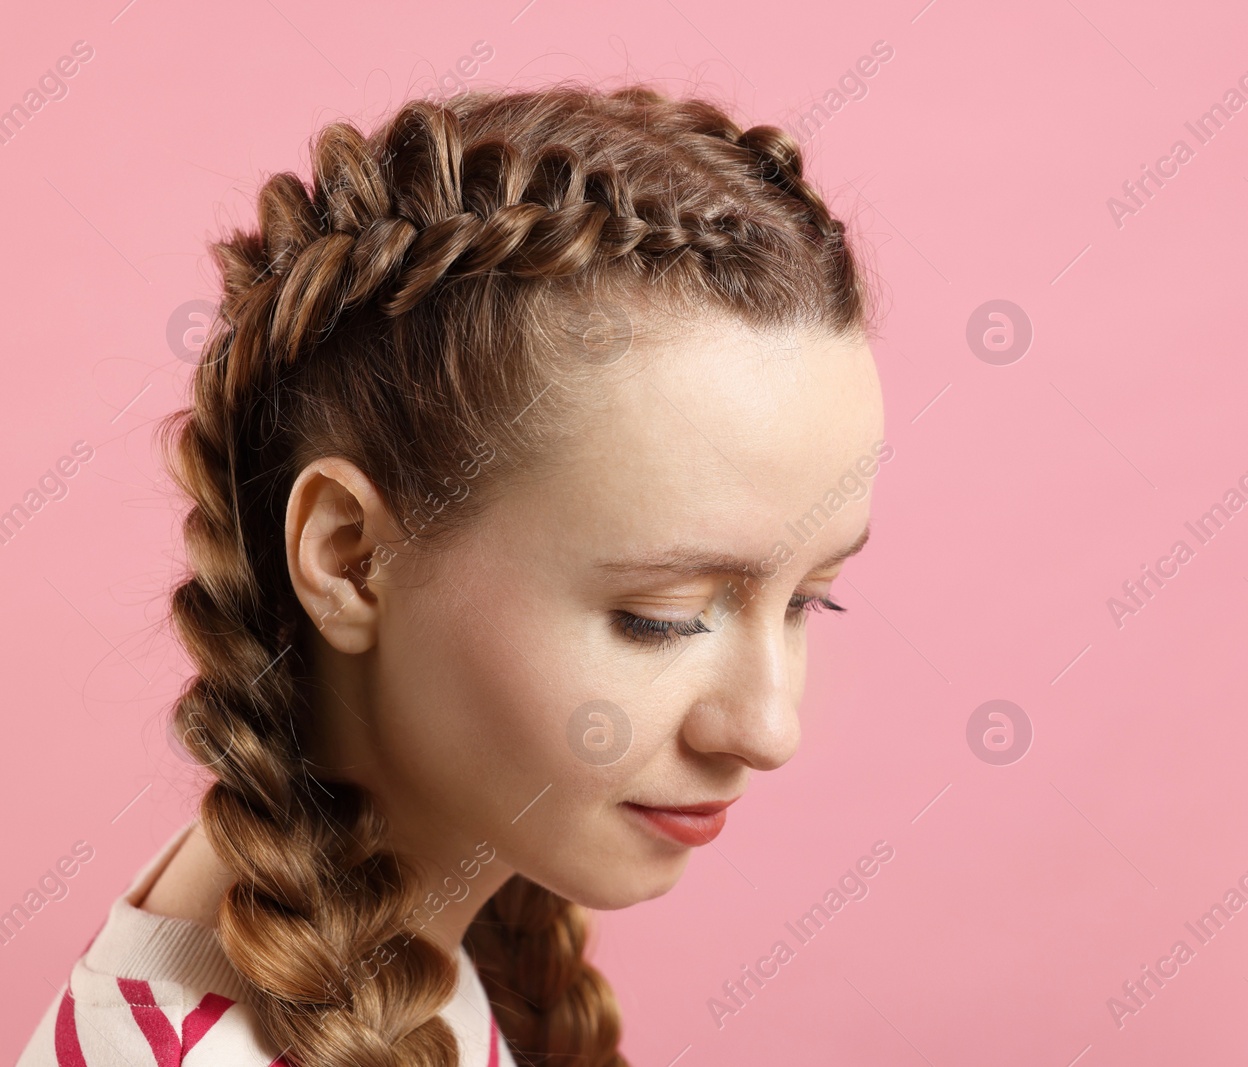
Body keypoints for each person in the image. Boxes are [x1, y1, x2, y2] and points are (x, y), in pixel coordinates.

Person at [16, 83, 887, 1067]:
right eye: (663, 616)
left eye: (812, 597)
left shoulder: (414, 929)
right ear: (350, 557)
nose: (769, 728)